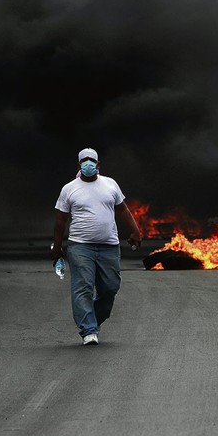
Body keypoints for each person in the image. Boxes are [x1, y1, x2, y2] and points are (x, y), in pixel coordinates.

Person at [52, 148, 142, 345]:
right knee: (83, 287)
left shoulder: (110, 184)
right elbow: (60, 220)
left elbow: (123, 210)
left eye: (91, 160)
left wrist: (135, 231)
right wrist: (56, 248)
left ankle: (92, 318)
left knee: (110, 287)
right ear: (78, 165)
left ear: (98, 164)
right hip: (80, 246)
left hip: (109, 246)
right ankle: (89, 330)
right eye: (84, 160)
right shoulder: (69, 189)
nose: (88, 163)